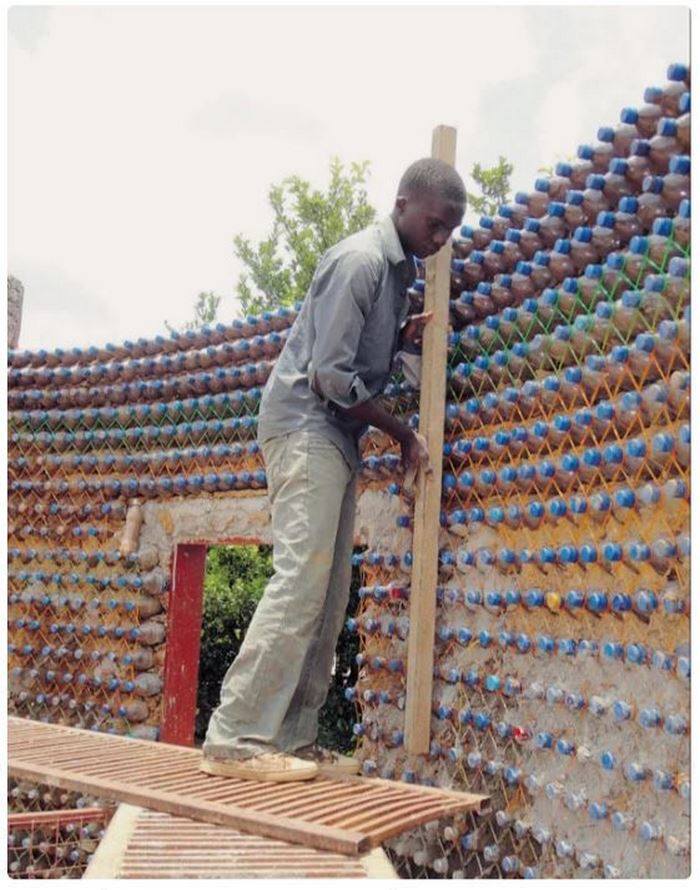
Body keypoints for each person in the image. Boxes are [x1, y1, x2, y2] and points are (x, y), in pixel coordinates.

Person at [200, 157, 466, 782]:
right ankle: (236, 736)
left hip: (335, 435)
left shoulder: (396, 273)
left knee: (330, 591)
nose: (441, 241)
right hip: (306, 424)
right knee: (301, 577)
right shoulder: (362, 262)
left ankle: (291, 740)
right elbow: (329, 374)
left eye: (450, 230)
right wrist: (404, 434)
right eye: (435, 225)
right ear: (403, 205)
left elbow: (358, 352)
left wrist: (400, 335)